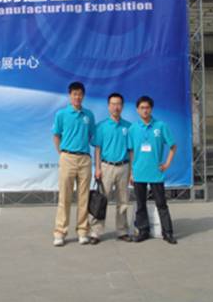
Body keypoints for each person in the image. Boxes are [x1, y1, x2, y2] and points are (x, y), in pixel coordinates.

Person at [128, 95, 178, 245]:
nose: (145, 110)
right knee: (140, 204)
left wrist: (167, 164)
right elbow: (131, 151)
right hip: (139, 173)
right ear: (137, 110)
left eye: (147, 107)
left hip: (156, 173)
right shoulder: (133, 128)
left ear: (151, 109)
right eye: (142, 108)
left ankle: (168, 233)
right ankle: (143, 231)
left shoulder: (161, 126)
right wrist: (131, 172)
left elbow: (173, 146)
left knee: (161, 204)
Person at [52, 81, 95, 247]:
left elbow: (91, 135)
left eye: (80, 94)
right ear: (70, 95)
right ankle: (60, 233)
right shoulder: (61, 114)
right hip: (67, 157)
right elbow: (56, 135)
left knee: (84, 197)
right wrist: (62, 153)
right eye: (74, 94)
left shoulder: (88, 115)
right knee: (65, 197)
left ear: (83, 96)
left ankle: (83, 232)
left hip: (84, 159)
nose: (77, 97)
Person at [88, 93, 132, 245]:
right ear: (108, 106)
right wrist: (97, 168)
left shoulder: (128, 127)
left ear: (122, 106)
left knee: (123, 201)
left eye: (118, 104)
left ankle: (122, 231)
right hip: (106, 167)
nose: (116, 107)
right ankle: (96, 232)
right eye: (113, 104)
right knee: (101, 201)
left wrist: (132, 171)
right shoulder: (101, 126)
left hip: (124, 167)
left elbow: (131, 151)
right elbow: (97, 149)